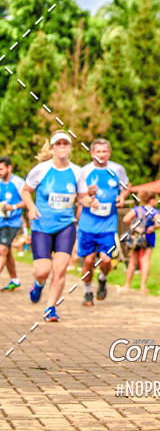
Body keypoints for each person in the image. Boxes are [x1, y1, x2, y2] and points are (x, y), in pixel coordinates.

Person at [22, 131, 81, 322]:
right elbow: (26, 191)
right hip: (42, 226)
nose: (62, 146)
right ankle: (38, 284)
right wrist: (31, 207)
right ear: (53, 148)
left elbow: (82, 198)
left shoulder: (77, 172)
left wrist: (90, 201)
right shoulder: (41, 170)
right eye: (59, 143)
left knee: (60, 269)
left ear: (70, 147)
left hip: (66, 226)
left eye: (66, 143)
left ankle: (50, 308)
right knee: (42, 271)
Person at [77, 138, 129, 306]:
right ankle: (87, 292)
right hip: (87, 223)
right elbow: (77, 195)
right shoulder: (84, 171)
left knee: (106, 260)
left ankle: (102, 278)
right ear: (92, 153)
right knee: (88, 260)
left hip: (108, 223)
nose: (101, 155)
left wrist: (122, 197)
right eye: (98, 151)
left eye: (104, 151)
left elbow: (126, 186)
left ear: (109, 153)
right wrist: (86, 194)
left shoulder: (117, 169)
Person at [120, 192, 160, 293]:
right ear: (151, 200)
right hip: (149, 237)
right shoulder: (154, 211)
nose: (157, 201)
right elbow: (159, 223)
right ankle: (143, 287)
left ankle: (127, 285)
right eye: (156, 199)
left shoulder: (137, 209)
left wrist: (134, 225)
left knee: (133, 261)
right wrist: (153, 227)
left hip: (136, 237)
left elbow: (125, 219)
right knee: (145, 261)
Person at [0, 156, 25, 291]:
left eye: (1, 169)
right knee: (7, 251)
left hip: (13, 222)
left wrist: (13, 207)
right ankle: (15, 281)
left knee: (2, 250)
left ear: (9, 168)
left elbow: (26, 201)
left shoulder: (18, 182)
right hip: (1, 221)